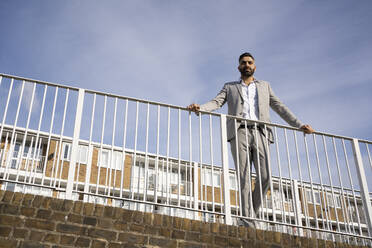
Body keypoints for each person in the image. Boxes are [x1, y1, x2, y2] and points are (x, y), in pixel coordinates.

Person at [187, 52, 314, 227]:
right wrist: (200, 108)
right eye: (243, 63)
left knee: (265, 177)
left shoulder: (265, 86)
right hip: (239, 132)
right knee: (244, 177)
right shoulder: (230, 87)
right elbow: (216, 102)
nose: (247, 65)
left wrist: (299, 125)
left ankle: (248, 216)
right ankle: (248, 222)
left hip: (261, 132)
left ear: (254, 66)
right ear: (239, 67)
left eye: (250, 62)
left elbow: (280, 107)